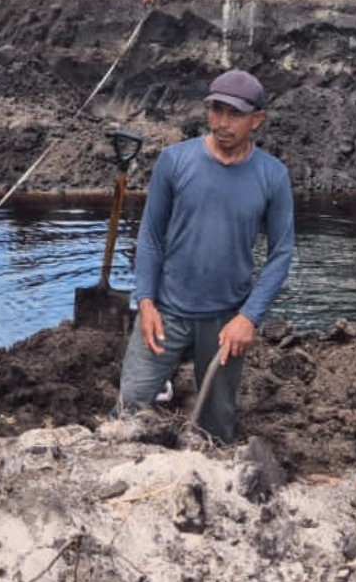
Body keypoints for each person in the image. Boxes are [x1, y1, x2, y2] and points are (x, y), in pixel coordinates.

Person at [118, 70, 295, 443]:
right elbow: (151, 236)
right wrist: (145, 301)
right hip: (166, 312)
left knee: (216, 428)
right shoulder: (174, 161)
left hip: (226, 320)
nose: (222, 123)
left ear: (257, 120)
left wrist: (248, 317)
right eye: (216, 110)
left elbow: (281, 253)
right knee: (130, 405)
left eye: (235, 114)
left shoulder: (272, 176)